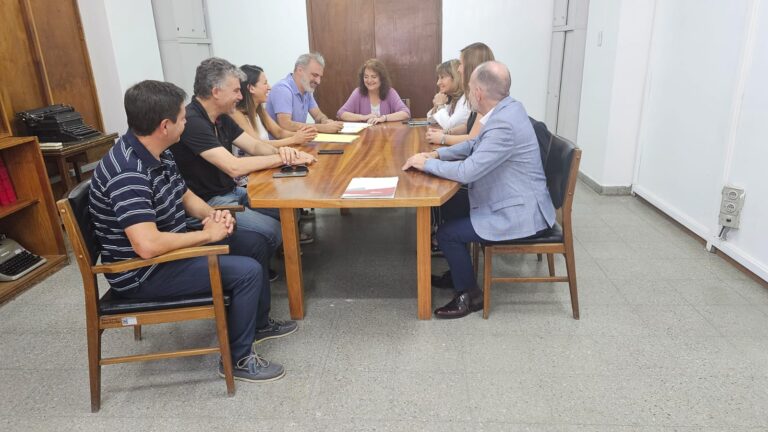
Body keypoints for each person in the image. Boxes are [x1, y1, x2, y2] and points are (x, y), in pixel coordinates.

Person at [89, 80, 297, 382]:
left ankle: (258, 324)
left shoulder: (159, 151)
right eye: (182, 118)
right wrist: (206, 235)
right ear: (164, 125)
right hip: (143, 272)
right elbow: (146, 245)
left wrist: (214, 216)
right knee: (248, 271)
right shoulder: (128, 173)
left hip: (169, 251)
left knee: (255, 241)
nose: (187, 121)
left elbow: (184, 195)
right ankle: (238, 360)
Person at [402, 61, 555, 319]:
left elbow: (468, 171)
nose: (468, 92)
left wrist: (428, 164)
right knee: (446, 205)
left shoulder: (503, 124)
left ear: (479, 93)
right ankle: (458, 270)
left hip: (520, 211)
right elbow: (473, 146)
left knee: (449, 233)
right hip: (508, 195)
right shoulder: (507, 108)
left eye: (470, 88)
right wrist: (437, 153)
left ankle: (470, 295)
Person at [170, 57, 316, 255]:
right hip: (208, 202)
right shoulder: (193, 121)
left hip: (230, 191)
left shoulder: (221, 116)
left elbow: (255, 145)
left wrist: (287, 153)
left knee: (290, 209)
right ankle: (257, 261)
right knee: (273, 231)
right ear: (216, 92)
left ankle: (268, 256)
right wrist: (283, 158)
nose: (240, 96)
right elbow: (233, 167)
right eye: (236, 91)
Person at [230, 64, 317, 185]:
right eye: (265, 83)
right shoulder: (236, 114)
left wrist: (303, 135)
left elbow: (279, 132)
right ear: (251, 88)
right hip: (248, 177)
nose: (269, 87)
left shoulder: (259, 109)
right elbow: (257, 145)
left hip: (264, 167)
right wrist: (294, 139)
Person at [425, 42, 495, 146]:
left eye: (461, 64)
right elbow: (467, 126)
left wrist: (443, 138)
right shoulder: (475, 94)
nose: (458, 69)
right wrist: (446, 133)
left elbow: (473, 138)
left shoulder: (486, 98)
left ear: (471, 67)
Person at [265, 52, 343, 133]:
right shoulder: (282, 89)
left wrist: (325, 121)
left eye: (320, 77)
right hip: (280, 144)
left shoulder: (306, 90)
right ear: (300, 70)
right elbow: (285, 124)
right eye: (315, 75)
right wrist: (322, 128)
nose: (318, 81)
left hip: (298, 141)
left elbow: (318, 115)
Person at [336, 58, 411, 124]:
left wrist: (384, 118)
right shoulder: (358, 92)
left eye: (374, 77)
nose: (369, 80)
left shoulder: (390, 92)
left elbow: (406, 113)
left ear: (381, 78)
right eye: (366, 77)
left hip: (387, 136)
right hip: (364, 137)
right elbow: (341, 114)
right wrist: (363, 117)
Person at [426, 59, 470, 134]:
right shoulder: (452, 98)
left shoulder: (466, 100)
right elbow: (430, 121)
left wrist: (440, 105)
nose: (438, 83)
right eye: (438, 78)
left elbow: (449, 127)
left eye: (442, 77)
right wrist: (436, 106)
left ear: (456, 77)